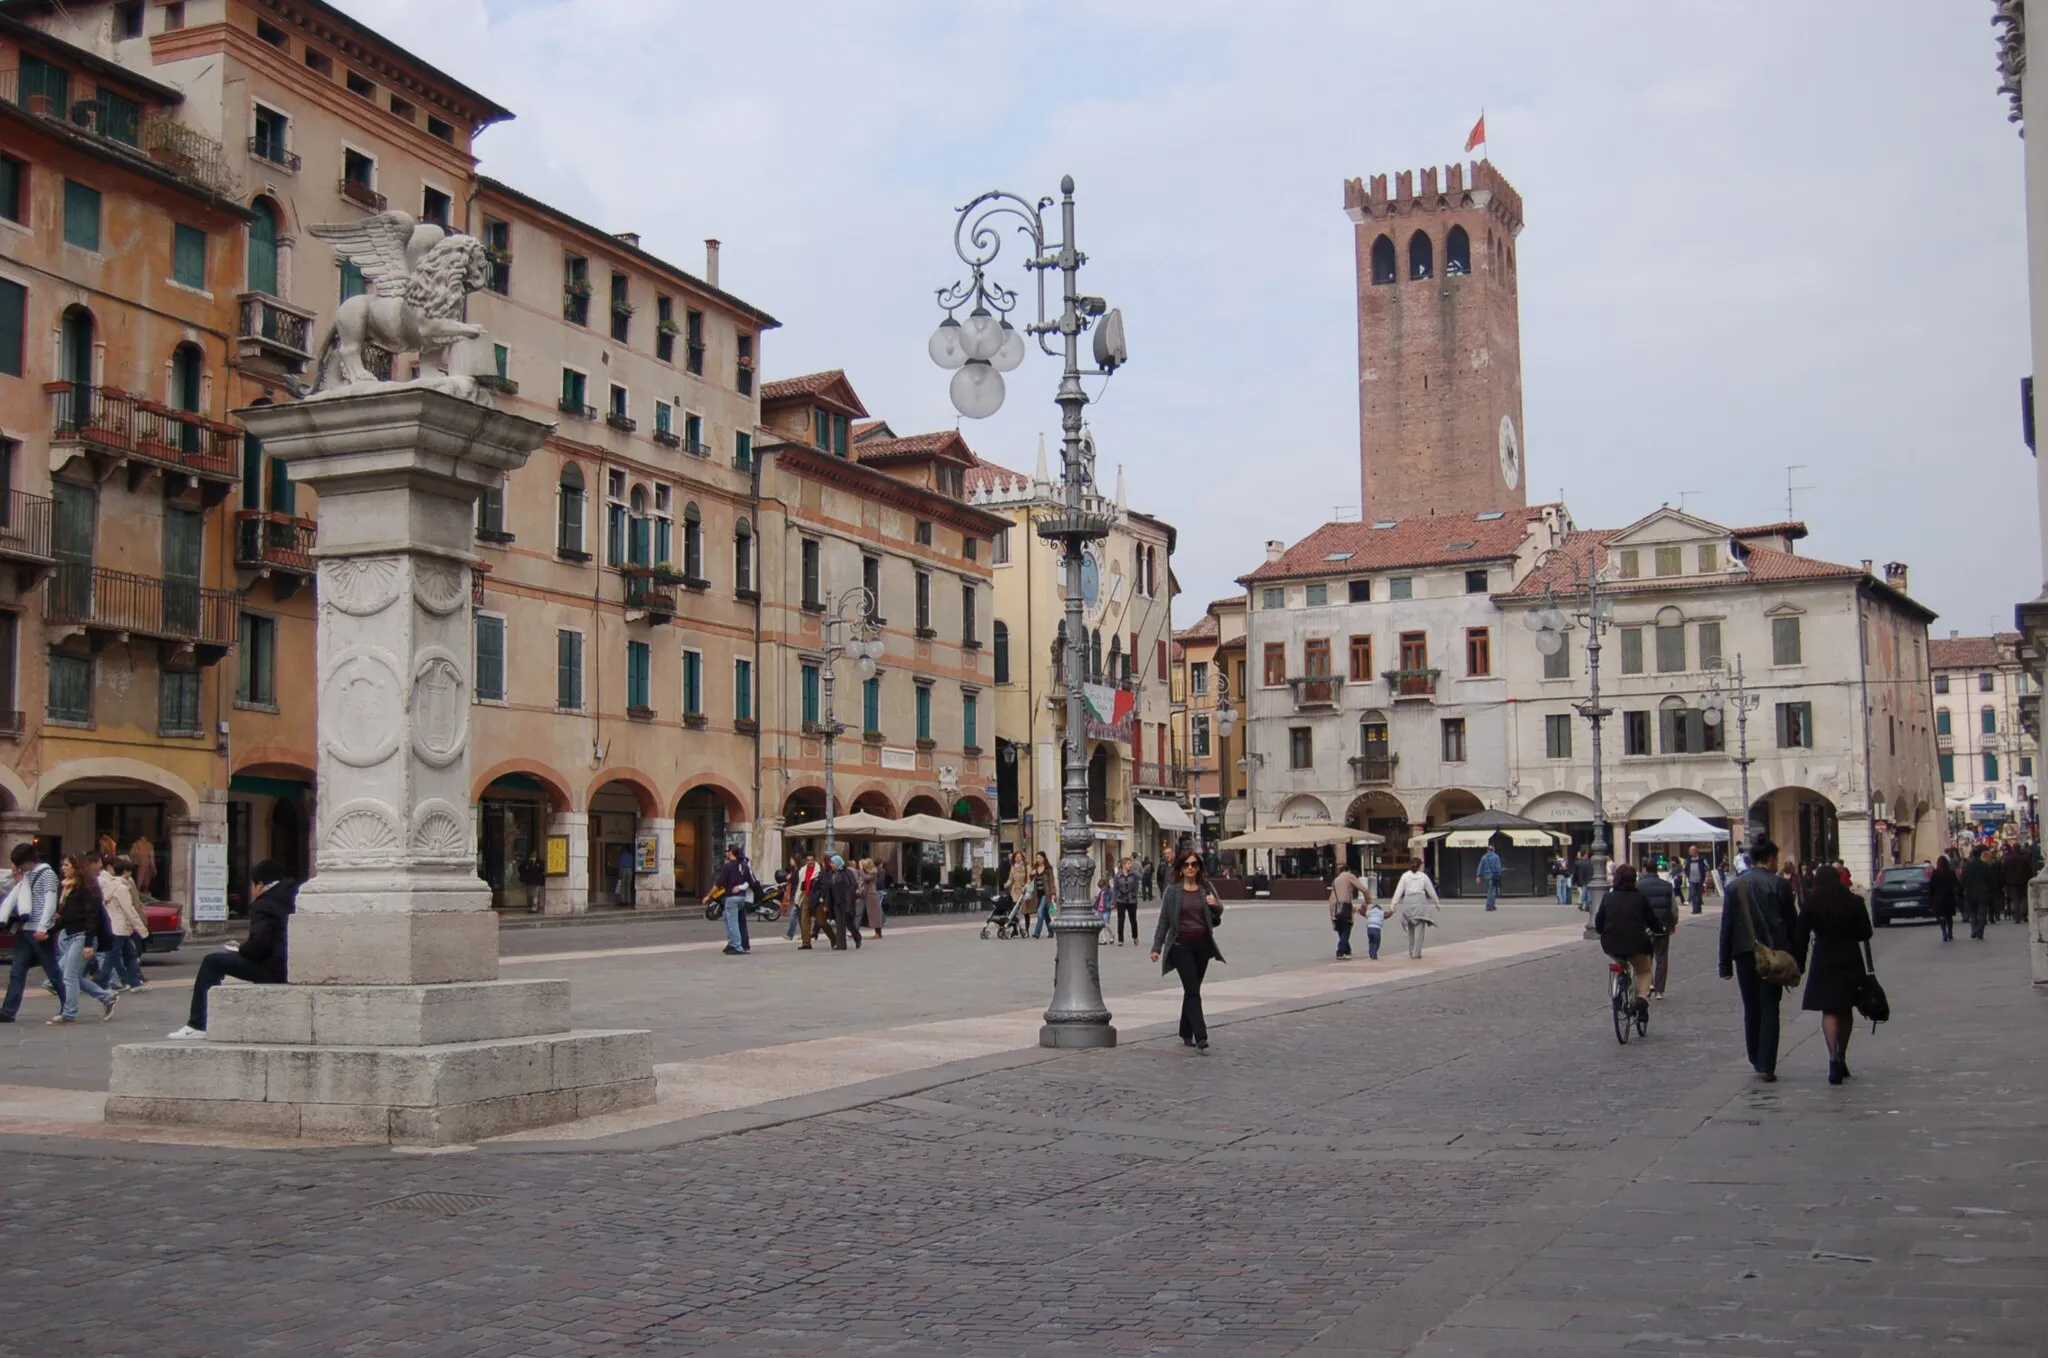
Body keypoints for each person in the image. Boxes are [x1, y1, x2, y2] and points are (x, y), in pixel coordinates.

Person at [167, 862, 294, 1039]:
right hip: (292, 966)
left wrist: (240, 948)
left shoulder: (264, 904)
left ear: (260, 885)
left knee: (212, 961)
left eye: (252, 885)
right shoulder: (293, 896)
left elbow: (259, 945)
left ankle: (197, 1024)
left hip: (274, 969)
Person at [1719, 839, 1803, 1082]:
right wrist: (1795, 957)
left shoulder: (1735, 887)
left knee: (1751, 1006)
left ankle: (1755, 1056)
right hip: (1773, 955)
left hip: (1744, 954)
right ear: (1768, 859)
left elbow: (1727, 927)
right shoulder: (1778, 885)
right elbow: (1791, 923)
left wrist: (1724, 964)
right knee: (1769, 1007)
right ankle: (1767, 1062)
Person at [1800, 865, 1874, 1085]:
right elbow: (1866, 933)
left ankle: (1832, 1056)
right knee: (1845, 1009)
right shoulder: (1854, 902)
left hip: (1823, 958)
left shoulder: (1812, 903)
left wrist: (1797, 962)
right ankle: (1841, 1056)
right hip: (1849, 958)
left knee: (1829, 1010)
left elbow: (1801, 933)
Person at [1151, 849, 1224, 1051]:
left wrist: (1215, 904)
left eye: (1194, 864)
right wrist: (1157, 947)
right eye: (1186, 865)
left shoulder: (1206, 887)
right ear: (1181, 868)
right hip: (1181, 946)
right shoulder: (1172, 891)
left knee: (1192, 990)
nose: (1190, 868)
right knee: (1192, 990)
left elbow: (1219, 912)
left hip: (1202, 946)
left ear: (1199, 867)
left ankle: (1185, 1030)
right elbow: (1164, 921)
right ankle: (1200, 1036)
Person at [49, 853, 117, 1024]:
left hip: (82, 936)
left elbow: (91, 917)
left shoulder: (87, 887)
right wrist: (48, 932)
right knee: (69, 973)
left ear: (76, 867)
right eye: (62, 865)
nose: (63, 868)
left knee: (69, 976)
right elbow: (66, 918)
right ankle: (107, 997)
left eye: (66, 865)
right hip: (71, 935)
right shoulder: (67, 888)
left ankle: (69, 1013)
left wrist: (88, 944)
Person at [0, 844, 64, 1023]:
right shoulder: (26, 875)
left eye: (21, 864)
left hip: (38, 929)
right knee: (17, 971)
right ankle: (8, 1011)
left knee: (52, 971)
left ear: (29, 860)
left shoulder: (47, 874)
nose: (20, 867)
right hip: (25, 930)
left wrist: (43, 927)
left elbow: (50, 903)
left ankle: (68, 1006)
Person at [1593, 864, 1659, 1020]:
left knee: (1620, 961)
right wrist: (1660, 929)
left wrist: (1604, 932)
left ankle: (1618, 991)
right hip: (1637, 944)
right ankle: (1642, 998)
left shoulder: (1608, 897)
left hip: (1611, 944)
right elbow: (1652, 921)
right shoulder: (1640, 898)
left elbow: (1598, 923)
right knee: (1644, 970)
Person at [95, 855, 149, 993]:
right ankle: (102, 981)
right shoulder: (122, 888)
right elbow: (129, 910)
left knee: (129, 954)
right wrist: (143, 931)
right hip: (120, 927)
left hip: (112, 925)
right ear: (126, 872)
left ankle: (133, 982)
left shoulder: (109, 886)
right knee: (113, 956)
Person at [1638, 860, 1677, 997]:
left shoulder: (1639, 886)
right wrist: (1673, 924)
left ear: (1644, 869)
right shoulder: (1666, 886)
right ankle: (1659, 990)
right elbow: (1673, 908)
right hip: (1662, 926)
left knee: (1645, 958)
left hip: (1644, 927)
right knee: (1661, 958)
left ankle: (1648, 984)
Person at [1391, 856, 1440, 959]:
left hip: (1408, 903)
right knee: (1420, 930)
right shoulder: (1423, 877)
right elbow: (1431, 890)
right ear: (1419, 866)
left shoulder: (1405, 876)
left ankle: (1411, 950)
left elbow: (1399, 891)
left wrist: (1393, 904)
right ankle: (1416, 952)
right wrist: (1437, 902)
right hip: (1420, 903)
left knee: (1411, 929)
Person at [712, 845, 754, 955]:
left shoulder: (729, 866)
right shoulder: (744, 866)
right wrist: (741, 887)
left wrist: (709, 895)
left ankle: (737, 945)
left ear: (731, 852)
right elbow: (749, 881)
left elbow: (719, 882)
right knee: (739, 921)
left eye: (727, 851)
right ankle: (739, 944)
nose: (726, 853)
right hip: (742, 897)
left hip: (732, 897)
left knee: (732, 922)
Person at [1329, 862, 1367, 959]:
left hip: (1334, 908)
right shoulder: (1349, 876)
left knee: (1341, 930)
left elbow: (1332, 898)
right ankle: (1340, 952)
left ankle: (1347, 951)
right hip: (1344, 907)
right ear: (1348, 870)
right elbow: (1363, 889)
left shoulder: (1335, 880)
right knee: (1346, 929)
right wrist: (1368, 901)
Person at [1961, 845, 1998, 941]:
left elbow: (1963, 879)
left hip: (1971, 892)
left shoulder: (1967, 866)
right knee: (1982, 914)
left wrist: (1964, 888)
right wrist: (1990, 890)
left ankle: (1974, 929)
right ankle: (1980, 932)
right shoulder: (1985, 865)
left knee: (1973, 913)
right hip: (1983, 892)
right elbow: (1990, 880)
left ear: (1972, 855)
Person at [789, 854, 821, 943]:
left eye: (812, 860)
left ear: (814, 860)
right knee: (804, 920)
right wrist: (797, 899)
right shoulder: (802, 870)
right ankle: (806, 942)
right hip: (805, 897)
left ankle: (831, 938)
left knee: (822, 921)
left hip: (815, 898)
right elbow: (799, 885)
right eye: (808, 860)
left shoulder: (819, 871)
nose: (810, 862)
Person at [1929, 853, 1960, 942]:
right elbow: (1956, 884)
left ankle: (1944, 932)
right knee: (1949, 916)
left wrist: (1931, 898)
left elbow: (1931, 886)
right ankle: (1950, 932)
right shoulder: (1950, 873)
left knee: (1941, 916)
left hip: (1938, 898)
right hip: (1949, 897)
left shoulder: (1935, 873)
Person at [1112, 857, 1140, 946]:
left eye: (1130, 863)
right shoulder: (1118, 875)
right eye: (1128, 863)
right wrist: (1114, 901)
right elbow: (1115, 889)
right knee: (1121, 920)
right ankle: (1120, 939)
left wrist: (1134, 872)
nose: (1130, 865)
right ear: (1123, 865)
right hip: (1121, 899)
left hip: (1132, 899)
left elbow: (1141, 877)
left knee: (1133, 919)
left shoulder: (1133, 874)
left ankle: (1135, 936)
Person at [2002, 844, 2033, 924]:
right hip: (2023, 881)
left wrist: (2004, 882)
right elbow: (2029, 871)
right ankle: (2023, 913)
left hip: (2011, 882)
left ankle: (2017, 917)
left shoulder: (2007, 859)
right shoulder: (2025, 858)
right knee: (2023, 898)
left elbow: (2004, 872)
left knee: (2015, 899)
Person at [1031, 851, 1057, 939]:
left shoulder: (1048, 869)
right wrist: (1032, 875)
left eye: (1040, 858)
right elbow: (1031, 881)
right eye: (1037, 858)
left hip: (1046, 894)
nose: (1038, 860)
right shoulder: (1035, 868)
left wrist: (1053, 893)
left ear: (1044, 858)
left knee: (1040, 912)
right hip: (1037, 894)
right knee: (1045, 914)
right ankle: (1051, 930)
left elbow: (1051, 881)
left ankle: (1037, 932)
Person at [1476, 843, 1504, 912]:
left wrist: (1478, 876)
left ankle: (1492, 905)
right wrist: (1499, 874)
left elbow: (1480, 867)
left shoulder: (1484, 857)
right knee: (1492, 891)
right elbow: (1498, 867)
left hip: (1486, 876)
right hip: (1493, 876)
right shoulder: (1496, 857)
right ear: (1493, 850)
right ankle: (1489, 906)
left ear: (1487, 850)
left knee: (1490, 890)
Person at [1362, 893, 1387, 960]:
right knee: (1377, 942)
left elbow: (1364, 914)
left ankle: (1371, 953)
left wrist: (1362, 908)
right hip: (1376, 929)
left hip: (1369, 929)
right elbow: (1387, 915)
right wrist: (1392, 912)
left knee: (1371, 941)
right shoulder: (1381, 912)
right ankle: (1374, 953)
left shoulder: (1369, 912)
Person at [615, 843, 637, 908]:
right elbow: (633, 864)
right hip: (630, 870)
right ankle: (628, 901)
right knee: (628, 886)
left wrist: (620, 873)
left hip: (624, 870)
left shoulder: (622, 855)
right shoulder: (631, 856)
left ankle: (623, 901)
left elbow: (620, 864)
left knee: (623, 886)